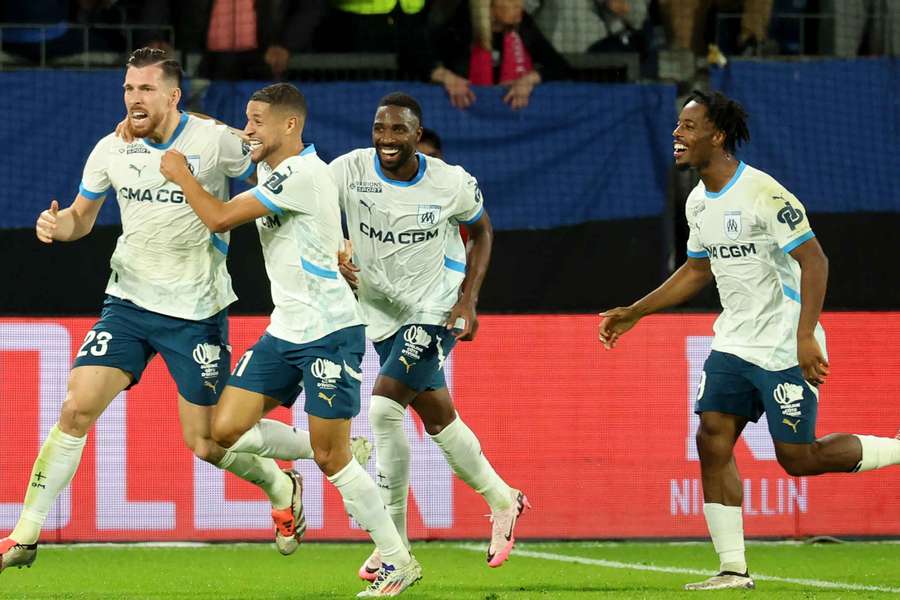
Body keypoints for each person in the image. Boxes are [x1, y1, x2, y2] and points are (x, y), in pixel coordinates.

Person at [0, 48, 304, 573]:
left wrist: (206, 123)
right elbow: (81, 217)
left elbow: (269, 146)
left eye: (145, 89)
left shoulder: (211, 144)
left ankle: (281, 482)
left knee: (207, 443)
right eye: (128, 89)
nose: (133, 99)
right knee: (76, 408)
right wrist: (57, 227)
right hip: (128, 305)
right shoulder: (110, 149)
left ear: (172, 95)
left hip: (197, 313)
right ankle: (24, 535)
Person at [599, 90, 900, 591]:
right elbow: (697, 270)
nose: (677, 134)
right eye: (677, 125)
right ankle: (732, 569)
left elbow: (816, 262)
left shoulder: (764, 193)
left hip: (784, 342)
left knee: (797, 459)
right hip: (735, 341)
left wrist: (805, 335)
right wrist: (637, 311)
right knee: (711, 436)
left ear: (716, 135)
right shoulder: (698, 201)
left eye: (688, 127)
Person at [158, 82, 422, 597]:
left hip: (328, 331)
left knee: (333, 460)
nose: (248, 130)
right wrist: (167, 108)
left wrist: (181, 174)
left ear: (290, 126)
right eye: (247, 120)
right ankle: (308, 465)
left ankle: (397, 559)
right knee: (221, 431)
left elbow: (218, 216)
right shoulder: (270, 163)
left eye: (257, 121)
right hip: (285, 328)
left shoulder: (301, 174)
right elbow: (222, 130)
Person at [330, 92, 528, 581]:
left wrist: (468, 300)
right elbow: (307, 203)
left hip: (434, 306)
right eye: (380, 129)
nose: (387, 139)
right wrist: (334, 246)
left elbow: (482, 232)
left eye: (398, 130)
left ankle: (392, 547)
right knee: (438, 417)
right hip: (378, 309)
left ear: (418, 136)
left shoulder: (450, 182)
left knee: (382, 408)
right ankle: (503, 500)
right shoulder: (350, 170)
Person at [430, 0, 569, 109]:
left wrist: (529, 80)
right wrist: (447, 77)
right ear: (489, 6)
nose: (519, 5)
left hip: (510, 114)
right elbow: (421, 60)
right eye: (510, 1)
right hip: (463, 113)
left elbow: (559, 65)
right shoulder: (461, 25)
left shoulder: (523, 24)